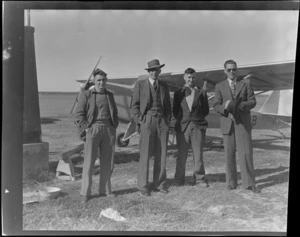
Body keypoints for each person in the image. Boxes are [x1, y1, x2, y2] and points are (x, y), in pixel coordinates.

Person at [213, 59, 260, 193]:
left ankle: (249, 183)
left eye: (234, 69)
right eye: (229, 70)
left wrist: (241, 106)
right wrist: (225, 107)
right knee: (229, 154)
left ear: (237, 70)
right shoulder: (219, 86)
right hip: (227, 123)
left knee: (246, 153)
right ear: (224, 71)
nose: (232, 72)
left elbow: (252, 101)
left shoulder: (245, 84)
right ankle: (231, 182)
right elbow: (216, 105)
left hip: (243, 123)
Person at [74, 68, 119, 203]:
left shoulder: (109, 95)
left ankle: (105, 190)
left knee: (108, 162)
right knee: (89, 162)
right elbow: (79, 114)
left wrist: (113, 126)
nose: (101, 83)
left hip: (108, 130)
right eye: (98, 80)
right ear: (94, 81)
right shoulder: (87, 94)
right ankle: (85, 193)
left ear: (106, 81)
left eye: (104, 80)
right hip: (93, 129)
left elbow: (114, 112)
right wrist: (86, 128)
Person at [130, 59, 172, 196]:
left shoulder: (164, 86)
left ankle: (159, 184)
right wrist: (141, 121)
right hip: (147, 120)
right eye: (152, 70)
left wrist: (167, 120)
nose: (154, 72)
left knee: (162, 153)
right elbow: (134, 106)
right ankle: (143, 186)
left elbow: (168, 106)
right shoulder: (140, 85)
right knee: (145, 154)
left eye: (157, 70)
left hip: (162, 122)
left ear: (160, 71)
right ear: (149, 72)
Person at [172, 68, 209, 187]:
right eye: (188, 77)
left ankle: (199, 179)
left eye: (193, 77)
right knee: (181, 155)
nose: (191, 79)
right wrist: (183, 120)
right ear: (184, 77)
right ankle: (178, 180)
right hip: (183, 127)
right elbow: (175, 111)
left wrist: (196, 118)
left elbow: (206, 110)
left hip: (197, 126)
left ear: (195, 78)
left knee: (198, 155)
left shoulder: (201, 92)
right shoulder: (178, 93)